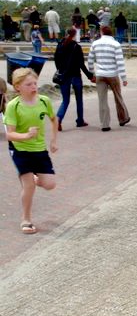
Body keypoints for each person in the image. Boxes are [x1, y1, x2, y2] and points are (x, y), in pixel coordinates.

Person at [4, 68, 58, 234]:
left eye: (35, 83)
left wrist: (54, 140)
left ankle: (35, 177)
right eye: (29, 84)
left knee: (50, 185)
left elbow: (54, 119)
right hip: (20, 149)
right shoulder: (13, 106)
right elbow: (9, 135)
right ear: (18, 86)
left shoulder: (44, 101)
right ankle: (26, 220)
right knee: (28, 186)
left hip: (39, 148)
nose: (34, 87)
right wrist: (26, 135)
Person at [87, 26, 130, 131]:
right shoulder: (116, 44)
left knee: (102, 100)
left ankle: (104, 124)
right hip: (113, 74)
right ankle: (123, 118)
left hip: (100, 74)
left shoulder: (95, 44)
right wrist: (124, 78)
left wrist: (92, 74)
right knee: (118, 97)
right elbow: (120, 63)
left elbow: (90, 60)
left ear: (102, 32)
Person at [54, 28, 93, 131]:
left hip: (64, 76)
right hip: (75, 76)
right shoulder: (76, 46)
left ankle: (59, 118)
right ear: (75, 35)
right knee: (79, 99)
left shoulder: (60, 45)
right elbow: (81, 64)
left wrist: (61, 70)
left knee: (65, 100)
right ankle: (80, 120)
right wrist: (90, 76)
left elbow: (56, 60)